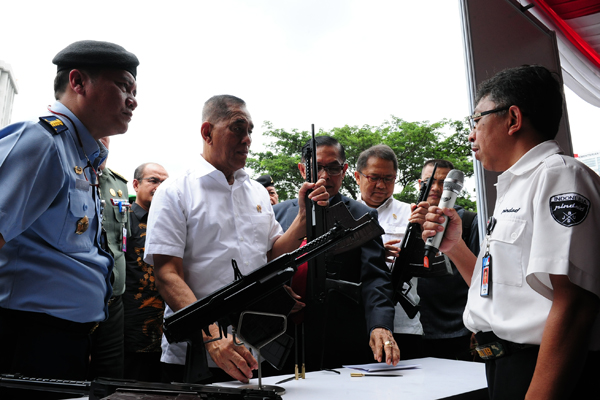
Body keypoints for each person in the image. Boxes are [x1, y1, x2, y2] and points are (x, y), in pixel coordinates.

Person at [422, 65, 600, 399]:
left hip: (542, 370)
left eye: (476, 120)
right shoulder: (514, 188)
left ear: (513, 118)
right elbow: (501, 291)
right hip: (504, 366)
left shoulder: (559, 177)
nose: (471, 134)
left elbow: (575, 303)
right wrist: (455, 246)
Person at [143, 95, 329, 384]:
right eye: (237, 128)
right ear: (207, 132)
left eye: (250, 131)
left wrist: (303, 219)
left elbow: (271, 256)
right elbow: (167, 274)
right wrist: (212, 335)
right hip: (197, 355)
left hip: (259, 347)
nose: (247, 139)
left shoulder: (256, 192)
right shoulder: (175, 191)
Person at [0, 40, 138, 385]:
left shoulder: (81, 156)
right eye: (123, 86)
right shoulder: (42, 142)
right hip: (27, 338)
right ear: (78, 82)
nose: (133, 100)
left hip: (61, 339)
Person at [274, 136, 400, 370]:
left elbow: (375, 278)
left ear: (344, 171)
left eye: (332, 168)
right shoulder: (277, 215)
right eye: (316, 168)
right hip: (283, 339)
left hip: (340, 339)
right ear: (302, 169)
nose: (324, 176)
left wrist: (380, 325)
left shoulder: (361, 215)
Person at [353, 144, 421, 359]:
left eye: (388, 178)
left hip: (404, 324)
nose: (381, 185)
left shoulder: (411, 214)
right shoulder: (345, 216)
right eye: (374, 177)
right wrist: (371, 254)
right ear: (357, 176)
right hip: (358, 323)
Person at [409, 159, 480, 361]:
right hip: (416, 329)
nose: (435, 188)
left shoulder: (467, 221)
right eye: (428, 182)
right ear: (419, 183)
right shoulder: (407, 219)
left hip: (459, 330)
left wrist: (478, 325)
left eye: (443, 183)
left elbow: (479, 277)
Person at [123, 162, 169, 382]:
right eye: (153, 180)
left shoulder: (172, 222)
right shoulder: (124, 220)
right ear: (135, 185)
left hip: (169, 330)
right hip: (131, 328)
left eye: (164, 182)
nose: (160, 186)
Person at [89, 136, 130, 379]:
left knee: (110, 377)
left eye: (106, 137)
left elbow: (122, 240)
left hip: (114, 300)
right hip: (72, 304)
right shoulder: (67, 172)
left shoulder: (119, 185)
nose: (102, 142)